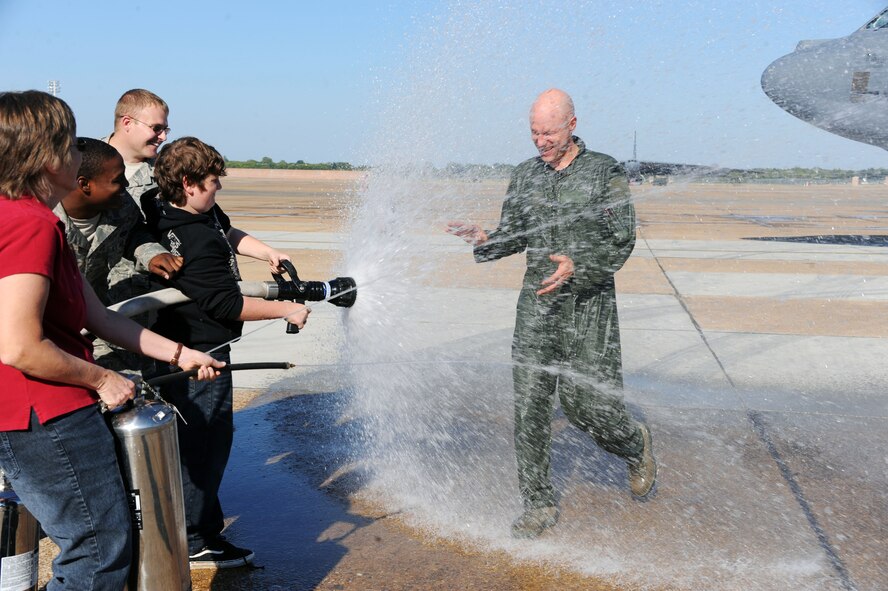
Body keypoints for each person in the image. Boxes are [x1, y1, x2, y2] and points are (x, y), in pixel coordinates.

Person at [0, 90, 224, 589]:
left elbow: (99, 317)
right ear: (47, 154)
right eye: (72, 146)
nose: (81, 154)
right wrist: (103, 379)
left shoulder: (29, 221)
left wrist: (182, 353)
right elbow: (18, 345)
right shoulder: (30, 224)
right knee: (99, 556)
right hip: (44, 413)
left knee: (96, 547)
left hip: (27, 412)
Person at [447, 89, 657, 539]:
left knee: (589, 410)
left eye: (549, 132)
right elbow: (515, 234)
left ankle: (634, 444)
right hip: (538, 304)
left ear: (573, 124)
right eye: (534, 132)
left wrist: (578, 263)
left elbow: (622, 238)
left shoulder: (605, 171)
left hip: (589, 304)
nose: (540, 141)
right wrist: (485, 239)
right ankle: (538, 503)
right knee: (530, 406)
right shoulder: (525, 175)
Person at [148, 136, 310, 568]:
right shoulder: (192, 239)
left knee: (196, 442)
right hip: (201, 354)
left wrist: (266, 252)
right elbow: (226, 304)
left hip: (185, 346)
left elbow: (227, 229)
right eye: (214, 181)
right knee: (205, 443)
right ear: (189, 182)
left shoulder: (170, 208)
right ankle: (196, 538)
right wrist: (286, 309)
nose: (219, 187)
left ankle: (195, 527)